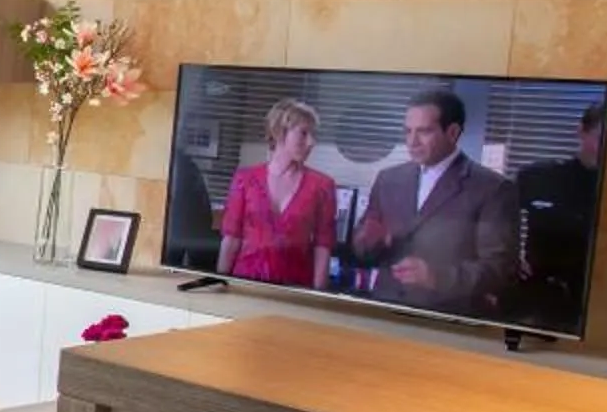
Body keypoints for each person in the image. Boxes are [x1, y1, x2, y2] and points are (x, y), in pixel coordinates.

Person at [351, 87, 519, 317]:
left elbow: (500, 270)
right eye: (408, 131)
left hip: (448, 321)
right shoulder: (388, 179)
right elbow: (363, 250)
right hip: (385, 313)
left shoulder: (492, 189)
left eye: (424, 132)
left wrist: (436, 277)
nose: (412, 142)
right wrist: (368, 242)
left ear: (452, 133)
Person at [216, 97, 337, 290]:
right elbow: (231, 238)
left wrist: (318, 297)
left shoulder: (322, 186)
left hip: (295, 289)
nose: (311, 142)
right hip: (245, 285)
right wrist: (219, 283)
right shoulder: (245, 179)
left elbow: (323, 247)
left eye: (313, 134)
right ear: (280, 133)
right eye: (303, 133)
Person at [511, 102, 606, 331]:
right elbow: (495, 218)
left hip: (593, 299)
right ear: (581, 131)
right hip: (538, 297)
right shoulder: (540, 177)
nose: (604, 145)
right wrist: (508, 257)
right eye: (599, 136)